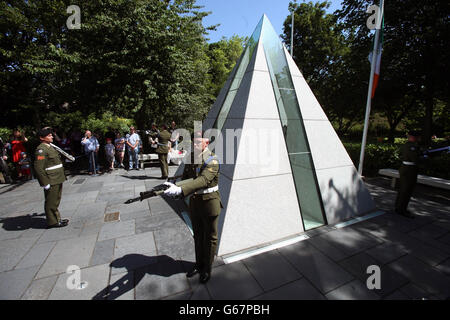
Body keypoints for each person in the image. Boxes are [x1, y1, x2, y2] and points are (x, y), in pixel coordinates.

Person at [164, 133, 222, 284]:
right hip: (195, 202)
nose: (195, 145)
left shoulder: (212, 160)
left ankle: (207, 269)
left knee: (210, 238)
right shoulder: (191, 157)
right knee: (198, 235)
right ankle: (199, 263)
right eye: (193, 142)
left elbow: (203, 180)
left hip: (209, 203)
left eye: (198, 142)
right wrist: (176, 187)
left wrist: (181, 190)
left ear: (206, 142)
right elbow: (186, 179)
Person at [34, 128, 69, 228]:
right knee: (51, 201)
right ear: (42, 138)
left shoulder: (49, 146)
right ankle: (53, 221)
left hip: (57, 177)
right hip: (51, 179)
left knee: (56, 199)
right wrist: (45, 182)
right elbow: (38, 168)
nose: (52, 136)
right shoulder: (41, 150)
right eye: (49, 135)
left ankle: (56, 218)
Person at [394, 131, 425, 218]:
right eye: (417, 137)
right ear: (413, 137)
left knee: (403, 189)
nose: (418, 138)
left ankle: (399, 207)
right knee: (406, 190)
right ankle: (401, 209)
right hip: (409, 170)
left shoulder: (409, 145)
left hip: (406, 168)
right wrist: (424, 158)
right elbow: (416, 159)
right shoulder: (412, 146)